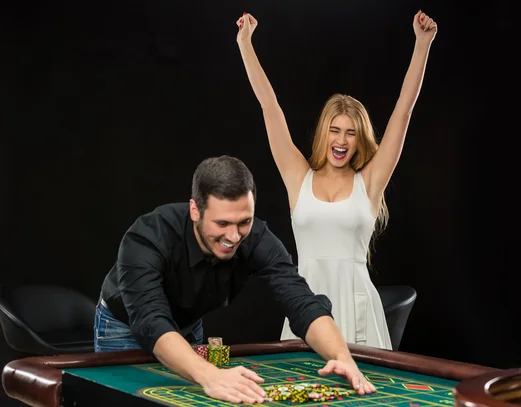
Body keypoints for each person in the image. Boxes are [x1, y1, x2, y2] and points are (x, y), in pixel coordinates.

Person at [95, 155, 377, 404]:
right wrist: (210, 375)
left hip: (186, 325)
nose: (233, 236)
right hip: (125, 327)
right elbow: (150, 320)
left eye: (244, 221)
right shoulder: (147, 236)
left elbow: (300, 300)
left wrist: (341, 355)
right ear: (195, 210)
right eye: (222, 224)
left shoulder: (256, 239)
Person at [235, 10, 438, 350]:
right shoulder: (297, 176)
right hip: (305, 308)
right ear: (323, 134)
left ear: (360, 140)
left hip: (359, 313)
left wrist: (422, 45)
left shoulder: (370, 182)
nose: (341, 141)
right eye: (334, 130)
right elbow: (270, 107)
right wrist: (245, 44)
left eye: (350, 133)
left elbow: (403, 112)